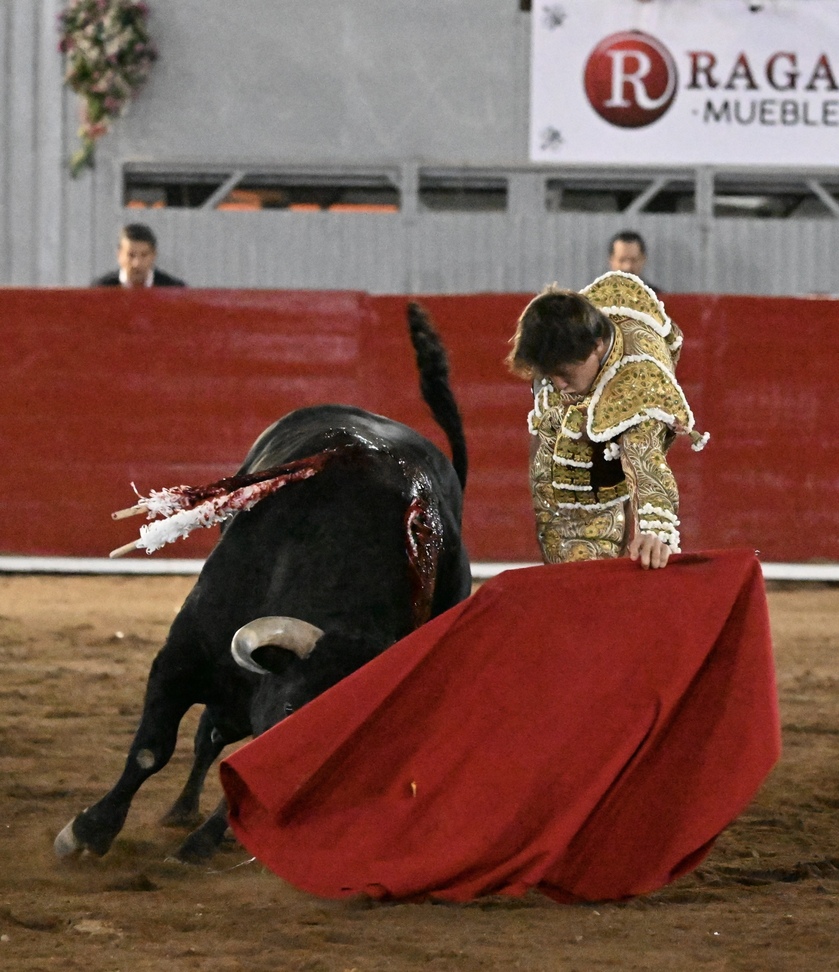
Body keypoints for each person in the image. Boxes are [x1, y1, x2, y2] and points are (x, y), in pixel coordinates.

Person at [507, 271, 708, 570]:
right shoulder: (572, 337)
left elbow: (645, 456)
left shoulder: (638, 380)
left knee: (592, 574)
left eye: (566, 373)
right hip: (559, 484)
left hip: (604, 483)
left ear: (597, 346)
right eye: (550, 374)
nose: (559, 385)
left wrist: (653, 528)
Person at [93, 223, 186, 288]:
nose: (137, 263)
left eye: (144, 255)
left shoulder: (174, 290)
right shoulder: (101, 289)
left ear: (154, 255)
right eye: (131, 255)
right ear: (119, 255)